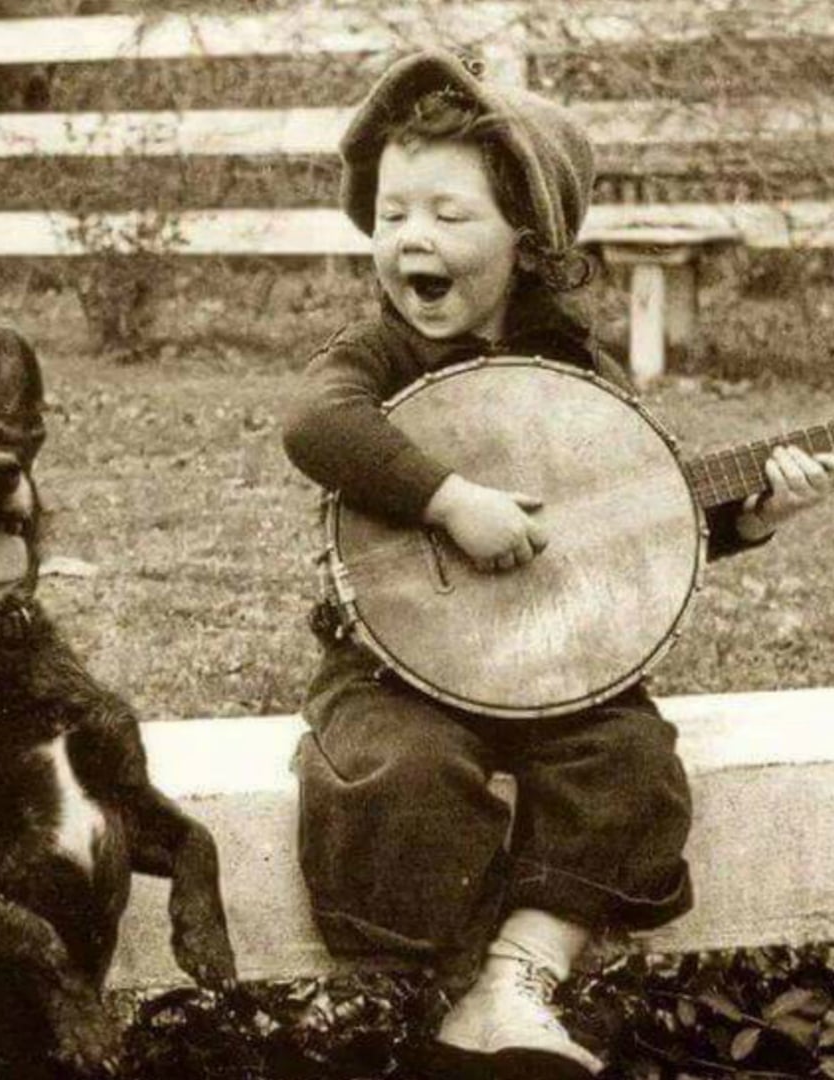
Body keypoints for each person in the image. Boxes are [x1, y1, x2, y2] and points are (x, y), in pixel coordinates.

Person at [281, 49, 834, 1079]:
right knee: (403, 771)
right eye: (394, 214)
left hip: (559, 662)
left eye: (448, 216)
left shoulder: (578, 374)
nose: (412, 240)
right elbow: (316, 424)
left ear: (530, 241)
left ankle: (515, 980)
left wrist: (751, 517)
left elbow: (625, 517)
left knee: (629, 765)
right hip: (394, 662)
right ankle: (431, 999)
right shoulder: (379, 356)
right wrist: (451, 501)